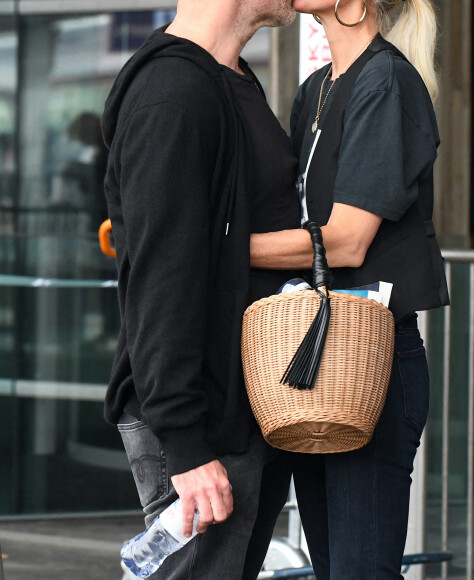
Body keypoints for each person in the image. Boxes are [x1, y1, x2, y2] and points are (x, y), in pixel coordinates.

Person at [250, 0, 450, 577]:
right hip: (318, 354)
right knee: (336, 566)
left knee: (359, 571)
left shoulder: (385, 79)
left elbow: (345, 242)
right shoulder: (316, 87)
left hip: (371, 361)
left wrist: (217, 249)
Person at [100, 1, 300, 578]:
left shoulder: (229, 78)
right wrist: (186, 445)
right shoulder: (173, 94)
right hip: (197, 421)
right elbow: (164, 276)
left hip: (238, 407)